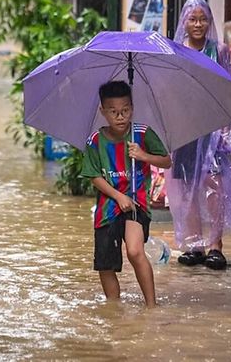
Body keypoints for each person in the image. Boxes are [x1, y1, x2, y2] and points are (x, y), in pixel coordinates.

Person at [165, 0, 231, 270]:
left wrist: (226, 125)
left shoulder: (219, 50)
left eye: (203, 19)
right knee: (188, 186)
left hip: (212, 131)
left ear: (209, 21)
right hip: (186, 129)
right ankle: (194, 245)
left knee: (214, 187)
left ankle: (216, 246)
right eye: (192, 19)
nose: (198, 24)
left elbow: (227, 90)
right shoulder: (176, 51)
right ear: (184, 22)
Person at [81, 81, 171, 307]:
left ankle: (151, 305)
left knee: (134, 251)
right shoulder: (94, 141)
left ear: (132, 108)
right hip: (107, 208)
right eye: (113, 112)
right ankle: (114, 308)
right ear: (103, 112)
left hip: (136, 203)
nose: (120, 117)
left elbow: (166, 161)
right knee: (105, 263)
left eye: (125, 111)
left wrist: (143, 156)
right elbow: (93, 175)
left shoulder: (142, 134)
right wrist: (117, 196)